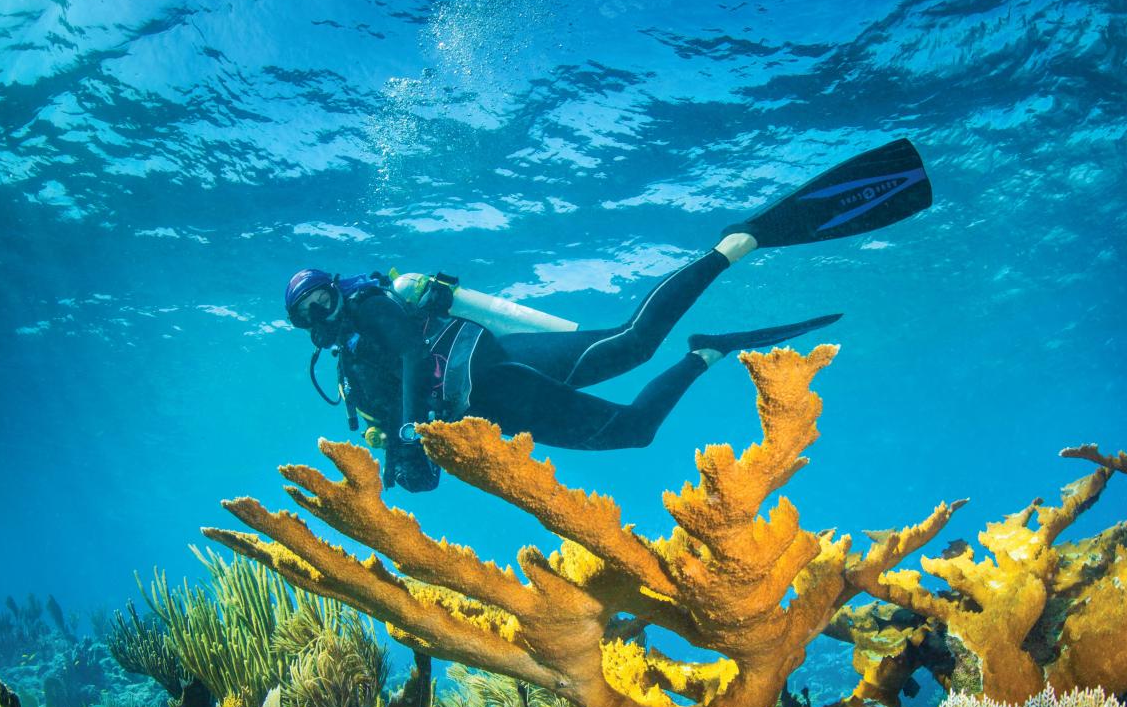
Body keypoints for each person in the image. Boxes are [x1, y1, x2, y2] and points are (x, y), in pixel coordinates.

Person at [285, 138, 932, 492]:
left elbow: (406, 355)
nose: (319, 313)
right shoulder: (343, 357)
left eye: (320, 297)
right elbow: (400, 406)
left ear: (337, 291)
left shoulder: (370, 308)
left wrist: (405, 437)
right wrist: (402, 450)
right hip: (491, 373)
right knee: (633, 352)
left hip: (494, 385)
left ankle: (738, 246)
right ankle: (706, 346)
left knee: (633, 380)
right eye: (304, 313)